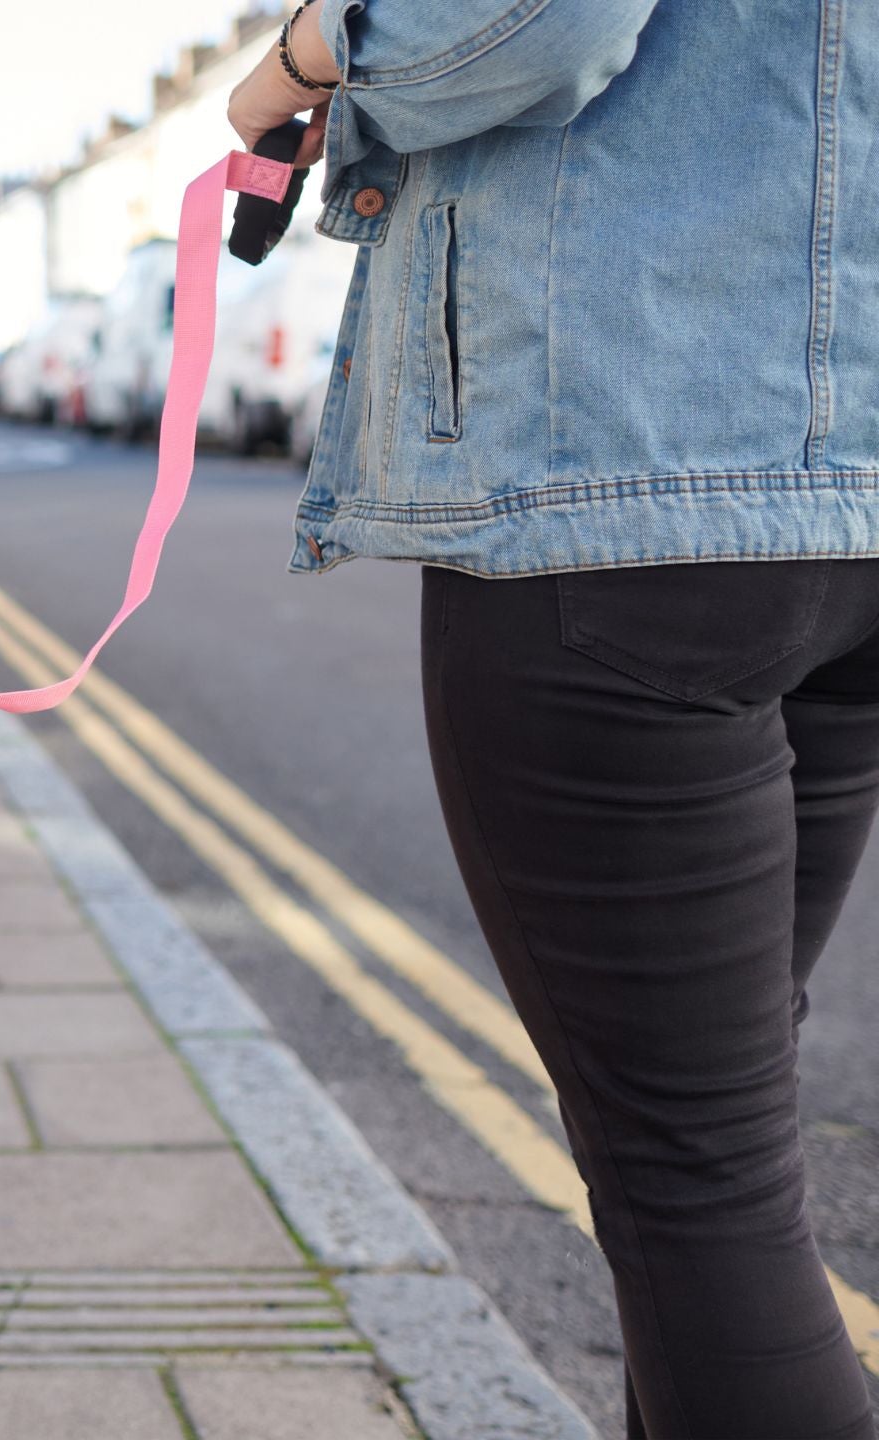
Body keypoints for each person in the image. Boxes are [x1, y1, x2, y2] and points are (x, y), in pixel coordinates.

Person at [227, 3, 878, 1438]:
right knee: (714, 1147)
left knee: (696, 1182)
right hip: (852, 486)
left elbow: (534, 23)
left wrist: (301, 58)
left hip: (629, 471)